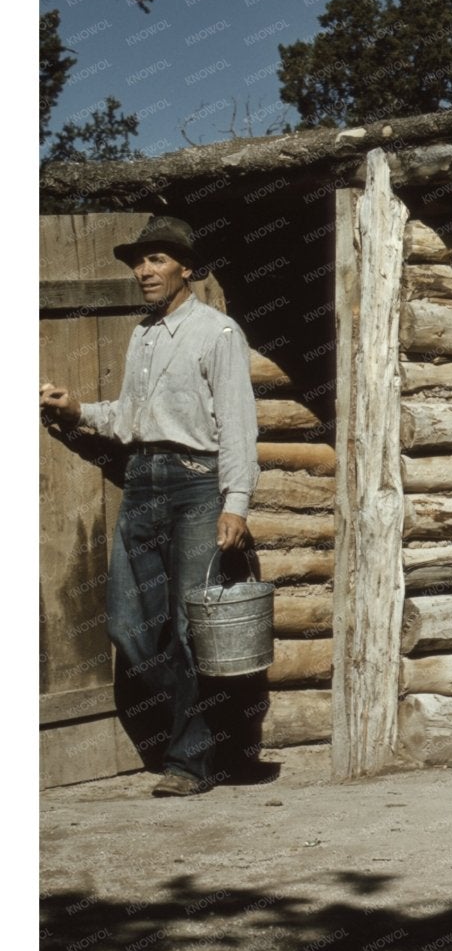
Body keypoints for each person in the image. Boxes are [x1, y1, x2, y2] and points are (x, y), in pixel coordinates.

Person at [40, 214, 271, 796]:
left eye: (157, 259)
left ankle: (190, 762)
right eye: (139, 262)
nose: (144, 271)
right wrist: (76, 412)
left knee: (193, 630)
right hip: (143, 483)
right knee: (129, 627)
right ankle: (222, 735)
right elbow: (129, 419)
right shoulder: (142, 334)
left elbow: (239, 427)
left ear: (186, 267)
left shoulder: (217, 333)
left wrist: (235, 503)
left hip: (197, 485)